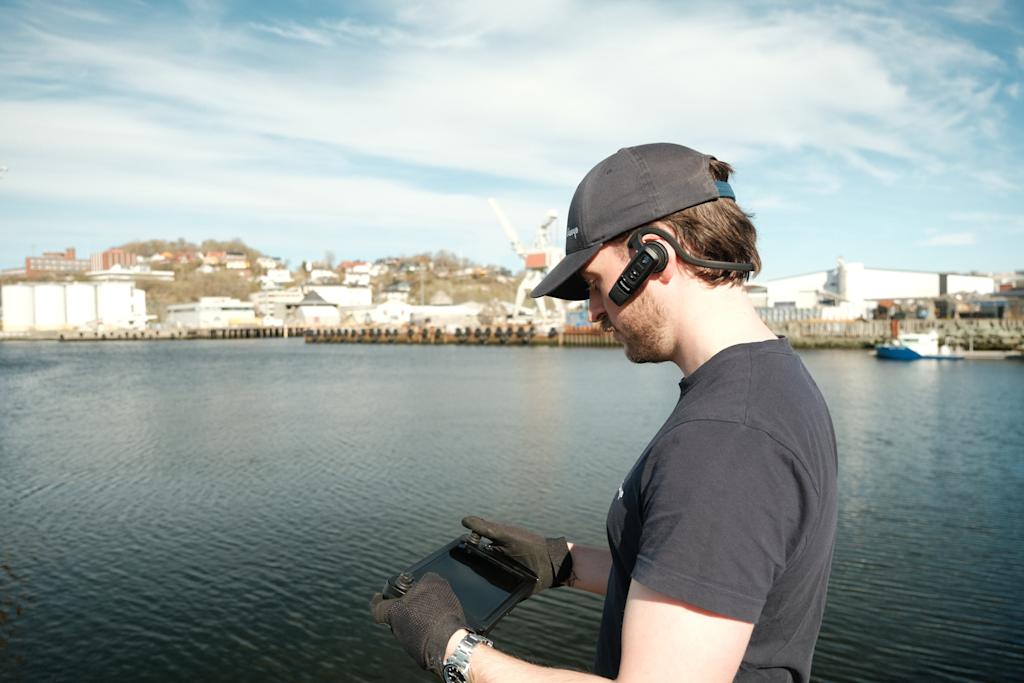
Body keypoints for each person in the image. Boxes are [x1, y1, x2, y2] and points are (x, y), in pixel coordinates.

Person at [371, 143, 838, 682]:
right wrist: (561, 563)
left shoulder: (726, 438)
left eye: (595, 283)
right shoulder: (769, 383)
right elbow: (709, 576)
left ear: (655, 255)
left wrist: (451, 650)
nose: (594, 311)